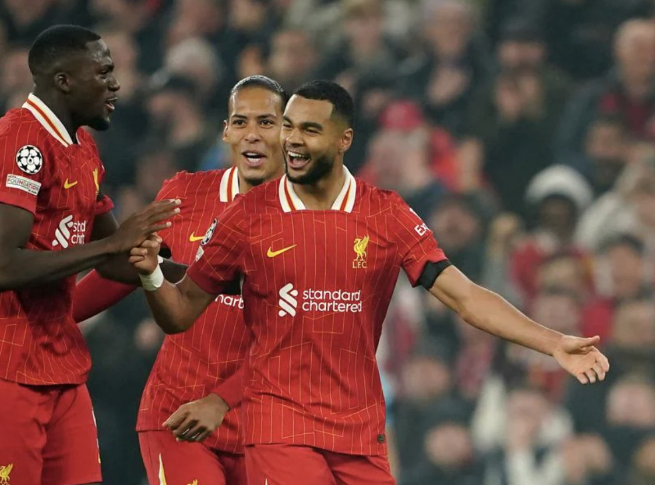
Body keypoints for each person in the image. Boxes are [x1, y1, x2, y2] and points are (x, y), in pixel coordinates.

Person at [130, 80, 610, 485]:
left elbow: (465, 297)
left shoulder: (385, 213)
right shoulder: (248, 216)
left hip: (359, 434)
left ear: (344, 140)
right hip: (281, 429)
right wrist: (151, 272)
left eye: (310, 130)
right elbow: (182, 309)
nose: (292, 141)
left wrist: (553, 343)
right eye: (289, 127)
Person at [73, 75, 287, 485]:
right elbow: (131, 268)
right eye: (240, 122)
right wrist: (60, 315)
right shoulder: (186, 193)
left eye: (266, 122)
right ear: (226, 131)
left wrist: (221, 401)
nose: (252, 134)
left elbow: (296, 340)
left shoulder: (313, 223)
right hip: (178, 415)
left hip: (266, 430)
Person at [0, 25, 180, 485]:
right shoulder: (20, 139)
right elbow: (4, 264)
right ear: (64, 80)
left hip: (61, 363)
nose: (115, 84)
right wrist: (110, 246)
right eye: (103, 72)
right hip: (9, 364)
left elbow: (117, 260)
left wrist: (210, 279)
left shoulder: (83, 148)